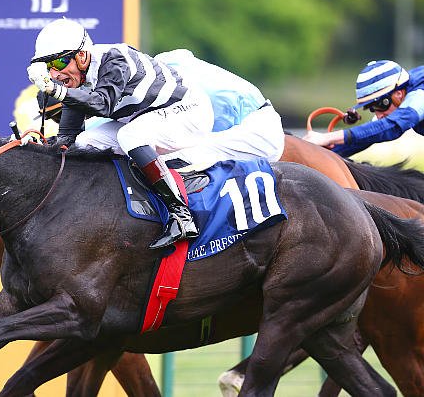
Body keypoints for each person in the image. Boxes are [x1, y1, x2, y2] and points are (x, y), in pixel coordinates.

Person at [27, 18, 283, 249]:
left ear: (82, 56)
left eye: (59, 62)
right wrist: (35, 148)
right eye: (48, 66)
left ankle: (181, 216)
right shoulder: (75, 84)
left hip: (189, 111)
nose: (55, 73)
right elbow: (67, 143)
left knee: (131, 136)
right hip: (149, 117)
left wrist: (57, 91)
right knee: (86, 142)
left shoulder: (114, 60)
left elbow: (102, 104)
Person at [303, 60, 424, 157]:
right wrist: (321, 152)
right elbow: (369, 135)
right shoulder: (403, 87)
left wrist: (326, 137)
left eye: (380, 105)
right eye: (372, 108)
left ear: (398, 94)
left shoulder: (419, 95)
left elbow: (394, 126)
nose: (378, 115)